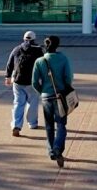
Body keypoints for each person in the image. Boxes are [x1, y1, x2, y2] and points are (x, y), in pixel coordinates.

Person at [31, 35, 73, 168]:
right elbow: (68, 78)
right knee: (61, 124)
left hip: (46, 96)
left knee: (49, 126)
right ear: (57, 45)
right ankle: (57, 148)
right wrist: (65, 88)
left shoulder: (39, 60)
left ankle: (51, 151)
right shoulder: (63, 58)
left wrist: (42, 90)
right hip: (60, 96)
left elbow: (34, 82)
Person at [4, 30, 44, 137]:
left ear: (24, 39)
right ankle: (32, 123)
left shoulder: (16, 49)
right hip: (32, 81)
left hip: (18, 80)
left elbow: (10, 64)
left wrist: (7, 77)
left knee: (18, 103)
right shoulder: (38, 50)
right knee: (33, 103)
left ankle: (16, 125)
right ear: (34, 39)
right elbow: (43, 65)